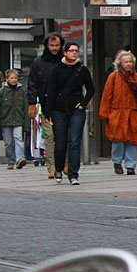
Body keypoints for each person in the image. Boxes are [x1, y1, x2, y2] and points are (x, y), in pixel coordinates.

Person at [42, 41, 95, 186]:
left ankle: (73, 174)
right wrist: (48, 114)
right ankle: (59, 169)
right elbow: (51, 91)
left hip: (76, 110)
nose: (74, 53)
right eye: (71, 50)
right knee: (60, 143)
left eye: (76, 51)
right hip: (58, 110)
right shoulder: (57, 69)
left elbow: (91, 89)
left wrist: (83, 104)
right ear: (65, 53)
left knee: (74, 142)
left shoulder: (82, 70)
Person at [98, 50, 137, 175]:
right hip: (117, 113)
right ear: (120, 63)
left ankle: (130, 165)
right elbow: (107, 96)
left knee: (132, 141)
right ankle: (117, 162)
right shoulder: (113, 77)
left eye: (130, 61)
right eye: (125, 62)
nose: (128, 64)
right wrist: (104, 113)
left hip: (133, 114)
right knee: (117, 140)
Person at [27, 32, 63, 179]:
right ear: (47, 46)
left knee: (62, 136)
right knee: (49, 137)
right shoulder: (38, 62)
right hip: (46, 104)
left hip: (63, 104)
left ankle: (63, 162)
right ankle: (52, 167)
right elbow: (32, 84)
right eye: (52, 45)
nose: (54, 48)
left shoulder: (65, 61)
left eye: (57, 45)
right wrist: (31, 104)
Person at [0, 70, 30, 170]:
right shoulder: (2, 91)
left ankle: (20, 158)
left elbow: (25, 108)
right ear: (7, 79)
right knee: (8, 142)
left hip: (18, 119)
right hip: (6, 120)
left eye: (15, 78)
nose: (14, 80)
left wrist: (27, 124)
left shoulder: (22, 91)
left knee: (18, 139)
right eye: (12, 78)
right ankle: (10, 160)